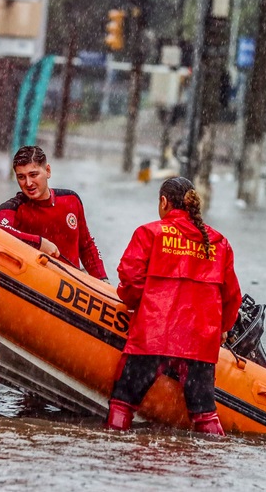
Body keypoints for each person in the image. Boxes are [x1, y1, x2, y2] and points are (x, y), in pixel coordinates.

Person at [107, 177, 241, 435]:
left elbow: (130, 277)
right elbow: (232, 295)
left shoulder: (150, 233)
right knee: (205, 413)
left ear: (164, 202)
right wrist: (222, 328)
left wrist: (136, 304)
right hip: (199, 342)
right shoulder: (218, 242)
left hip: (153, 337)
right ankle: (213, 464)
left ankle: (114, 454)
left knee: (123, 402)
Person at [0, 145, 109, 282]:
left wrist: (103, 279)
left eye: (33, 175)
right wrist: (38, 243)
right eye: (21, 177)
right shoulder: (13, 208)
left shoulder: (71, 199)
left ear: (47, 171)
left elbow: (86, 245)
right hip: (36, 287)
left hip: (73, 288)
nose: (28, 183)